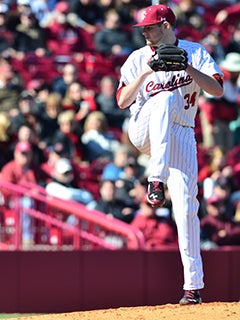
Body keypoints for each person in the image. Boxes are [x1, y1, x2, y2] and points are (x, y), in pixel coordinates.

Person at [116, 4, 224, 305]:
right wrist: (148, 71)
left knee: (188, 206)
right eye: (143, 29)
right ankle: (155, 180)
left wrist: (188, 68)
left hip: (182, 133)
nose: (145, 33)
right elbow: (123, 100)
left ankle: (193, 287)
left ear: (166, 25)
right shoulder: (138, 58)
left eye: (150, 27)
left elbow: (217, 90)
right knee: (163, 101)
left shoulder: (194, 51)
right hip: (144, 129)